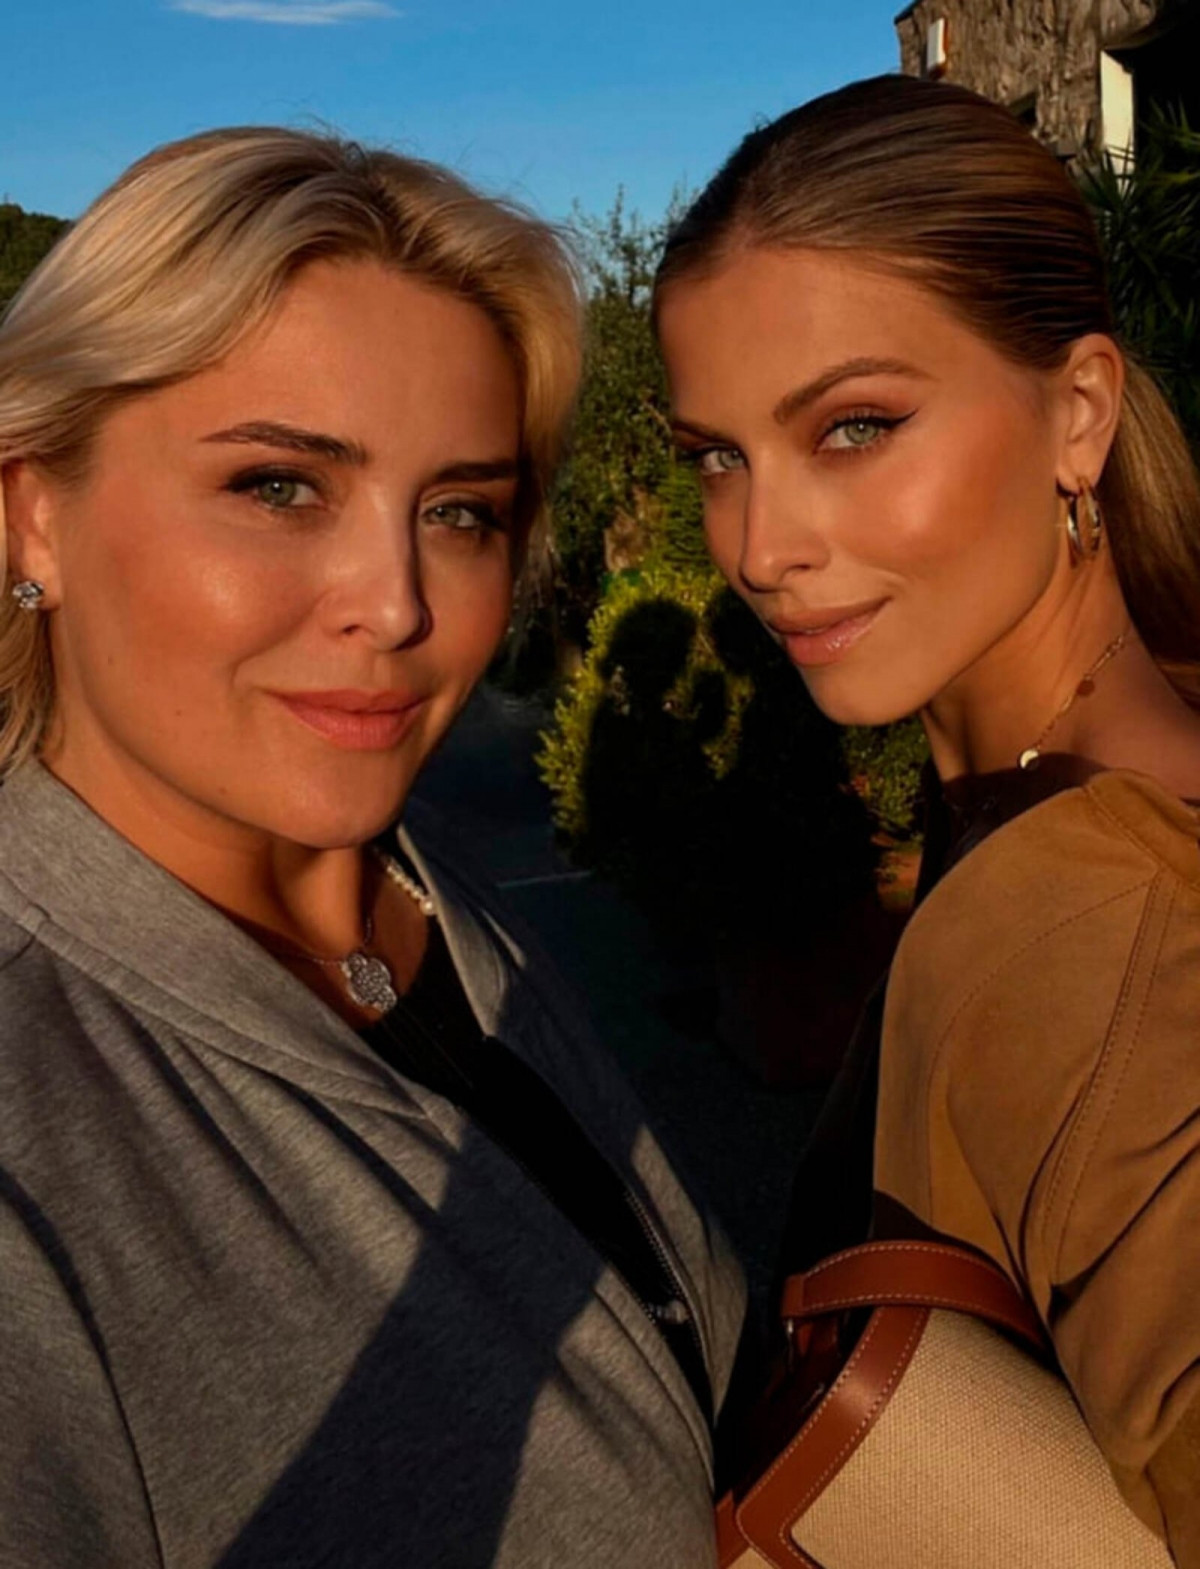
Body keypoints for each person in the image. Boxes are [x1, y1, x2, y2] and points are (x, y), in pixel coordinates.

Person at [0, 127, 744, 1568]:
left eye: (459, 512)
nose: (396, 604)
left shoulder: (425, 899)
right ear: (36, 514)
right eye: (279, 485)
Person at [653, 74, 1200, 1564]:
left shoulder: (1099, 923)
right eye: (717, 456)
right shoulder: (1028, 801)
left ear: (1077, 413)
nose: (761, 548)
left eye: (854, 427)